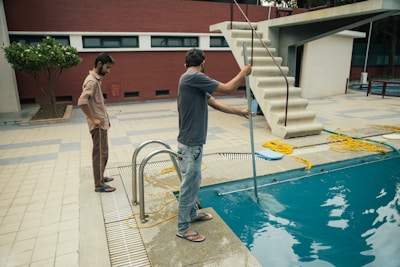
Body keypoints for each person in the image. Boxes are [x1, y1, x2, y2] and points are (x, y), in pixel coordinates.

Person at [176, 48, 252, 242]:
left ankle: (191, 214)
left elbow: (216, 104)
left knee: (194, 182)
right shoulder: (193, 77)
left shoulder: (193, 82)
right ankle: (183, 227)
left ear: (186, 63)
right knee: (188, 185)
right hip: (190, 144)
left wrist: (238, 111)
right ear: (203, 63)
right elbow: (228, 88)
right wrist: (243, 73)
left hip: (194, 143)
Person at [78, 53, 116, 193]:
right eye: (107, 67)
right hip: (98, 126)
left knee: (103, 153)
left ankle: (100, 177)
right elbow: (82, 101)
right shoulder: (92, 81)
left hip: (101, 124)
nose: (108, 71)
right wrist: (93, 119)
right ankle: (99, 185)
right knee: (100, 154)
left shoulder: (95, 79)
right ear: (99, 64)